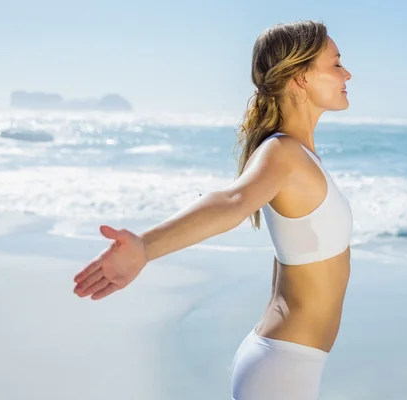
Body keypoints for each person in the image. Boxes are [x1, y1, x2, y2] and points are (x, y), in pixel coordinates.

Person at [72, 20, 353, 400]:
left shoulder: (297, 154)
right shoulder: (283, 152)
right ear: (301, 77)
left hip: (289, 364)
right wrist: (146, 247)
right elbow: (231, 202)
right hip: (282, 370)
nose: (346, 72)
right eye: (335, 63)